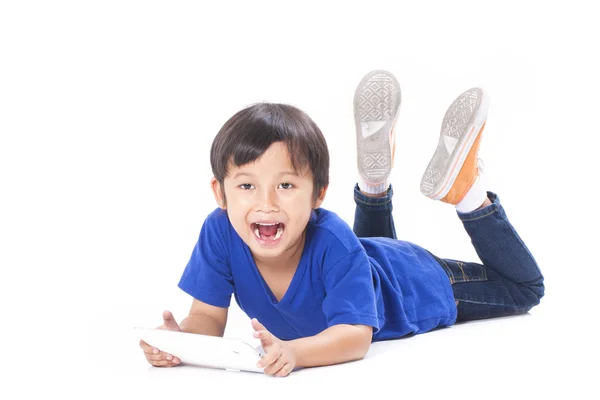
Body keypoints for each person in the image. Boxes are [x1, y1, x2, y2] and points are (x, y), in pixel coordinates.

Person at [138, 70, 545, 377]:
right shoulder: (220, 231)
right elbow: (208, 318)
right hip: (363, 259)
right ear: (220, 192)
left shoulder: (332, 238)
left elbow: (355, 336)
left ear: (318, 195)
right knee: (361, 253)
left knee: (525, 288)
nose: (266, 203)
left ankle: (466, 191)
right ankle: (373, 183)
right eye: (246, 185)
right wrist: (181, 341)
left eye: (285, 185)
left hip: (416, 282)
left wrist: (296, 354)